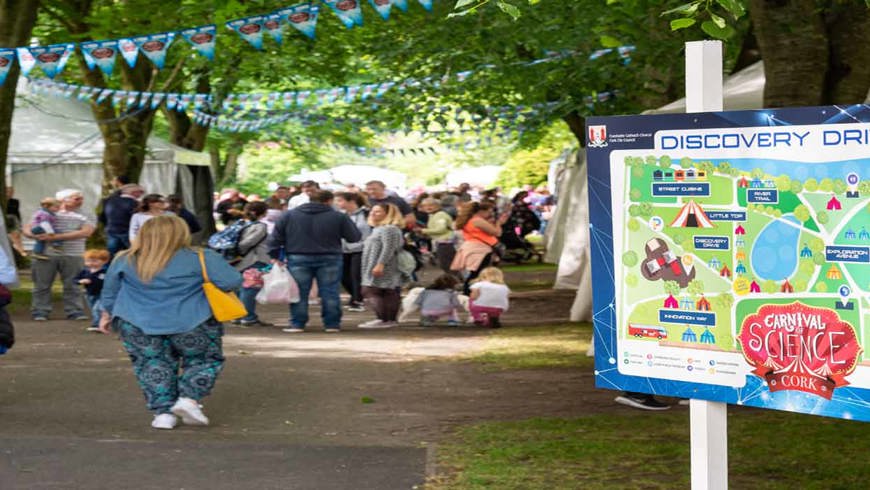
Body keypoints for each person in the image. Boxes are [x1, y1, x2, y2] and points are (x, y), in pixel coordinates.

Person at [99, 215, 242, 430]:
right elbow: (231, 281)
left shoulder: (124, 258)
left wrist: (107, 315)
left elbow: (110, 292)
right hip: (193, 320)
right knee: (204, 360)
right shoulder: (202, 257)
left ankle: (163, 413)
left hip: (136, 321)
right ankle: (188, 399)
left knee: (152, 365)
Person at [267, 190, 361, 333]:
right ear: (329, 201)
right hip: (330, 257)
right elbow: (354, 237)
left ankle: (297, 323)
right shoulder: (338, 217)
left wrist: (274, 255)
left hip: (297, 256)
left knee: (299, 292)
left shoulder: (289, 215)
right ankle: (332, 324)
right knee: (330, 291)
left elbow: (275, 238)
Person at [23, 189, 95, 321]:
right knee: (41, 284)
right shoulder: (43, 213)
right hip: (45, 254)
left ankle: (75, 311)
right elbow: (27, 228)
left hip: (73, 253)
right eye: (76, 198)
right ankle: (40, 311)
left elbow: (86, 232)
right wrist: (35, 235)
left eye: (81, 198)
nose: (81, 201)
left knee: (73, 284)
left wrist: (55, 237)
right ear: (63, 200)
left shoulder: (86, 214)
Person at [358, 203, 405, 329]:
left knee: (371, 290)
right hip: (376, 263)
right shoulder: (380, 228)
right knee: (385, 291)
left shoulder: (389, 229)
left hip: (384, 264)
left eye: (378, 211)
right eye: (373, 210)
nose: (373, 213)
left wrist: (380, 264)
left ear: (388, 213)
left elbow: (389, 248)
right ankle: (387, 319)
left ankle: (384, 319)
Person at [451, 201, 509, 295]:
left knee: (476, 272)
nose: (490, 214)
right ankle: (469, 292)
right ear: (481, 211)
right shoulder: (477, 220)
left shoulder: (468, 220)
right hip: (481, 249)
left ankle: (471, 292)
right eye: (488, 212)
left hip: (472, 247)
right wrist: (499, 223)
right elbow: (496, 232)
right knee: (478, 272)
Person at [233, 202, 272, 327]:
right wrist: (240, 249)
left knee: (239, 288)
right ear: (262, 212)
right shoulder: (260, 227)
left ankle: (237, 315)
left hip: (238, 260)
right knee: (249, 289)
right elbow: (249, 242)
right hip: (254, 259)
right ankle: (248, 317)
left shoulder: (238, 224)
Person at [335, 192, 371, 312]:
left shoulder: (366, 214)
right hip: (343, 249)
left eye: (340, 200)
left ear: (351, 202)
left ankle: (358, 300)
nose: (337, 203)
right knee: (343, 276)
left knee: (356, 275)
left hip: (362, 248)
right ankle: (355, 296)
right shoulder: (339, 215)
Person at [99, 183, 144, 257]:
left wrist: (107, 226)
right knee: (133, 254)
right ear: (134, 192)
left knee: (113, 255)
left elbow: (102, 217)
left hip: (111, 231)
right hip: (128, 232)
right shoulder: (135, 203)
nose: (141, 194)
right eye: (141, 192)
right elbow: (137, 219)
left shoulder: (108, 201)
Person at [74, 249, 110, 332]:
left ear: (104, 261)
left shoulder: (105, 272)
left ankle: (96, 324)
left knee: (97, 309)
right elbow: (75, 280)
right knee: (92, 308)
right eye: (88, 261)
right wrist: (80, 281)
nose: (91, 263)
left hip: (102, 294)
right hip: (89, 293)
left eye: (94, 261)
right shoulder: (85, 272)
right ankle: (102, 321)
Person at [417, 198, 455, 273]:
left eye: (431, 205)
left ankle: (455, 281)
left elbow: (441, 229)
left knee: (447, 265)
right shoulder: (434, 215)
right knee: (446, 265)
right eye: (425, 206)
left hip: (446, 242)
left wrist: (423, 231)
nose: (428, 207)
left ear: (438, 206)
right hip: (442, 242)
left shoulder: (440, 215)